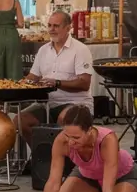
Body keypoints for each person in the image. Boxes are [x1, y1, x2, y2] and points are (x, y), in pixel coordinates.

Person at [17, 104, 137, 192]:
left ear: (89, 130)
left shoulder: (107, 140)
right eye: (67, 135)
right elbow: (53, 182)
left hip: (122, 176)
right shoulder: (62, 141)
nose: (71, 142)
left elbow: (108, 187)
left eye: (76, 138)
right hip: (88, 175)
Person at [13, 10, 93, 153]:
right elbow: (33, 77)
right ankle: (42, 156)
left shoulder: (80, 50)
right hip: (47, 103)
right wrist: (15, 85)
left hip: (76, 103)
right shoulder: (43, 50)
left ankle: (62, 158)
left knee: (64, 119)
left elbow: (84, 83)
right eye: (49, 25)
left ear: (68, 28)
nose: (51, 29)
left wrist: (57, 83)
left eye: (56, 26)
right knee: (20, 121)